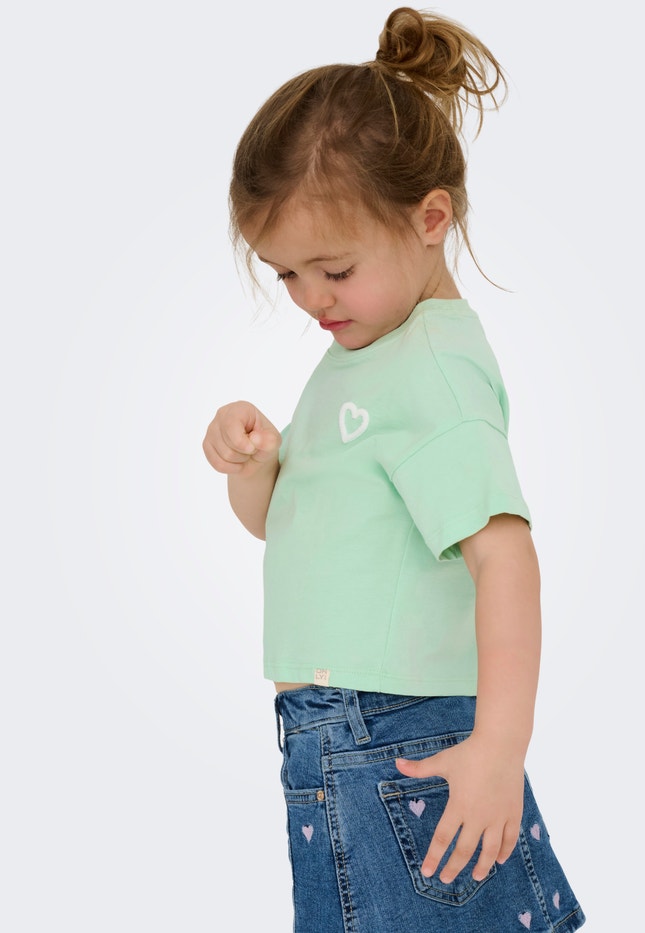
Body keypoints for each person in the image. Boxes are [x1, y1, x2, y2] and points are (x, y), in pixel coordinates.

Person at [203, 7, 585, 931]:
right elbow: (291, 527)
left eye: (332, 269)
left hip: (392, 735)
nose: (310, 299)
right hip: (340, 739)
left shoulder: (432, 370)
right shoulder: (369, 351)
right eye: (286, 275)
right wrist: (255, 466)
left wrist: (500, 745)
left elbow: (506, 556)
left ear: (429, 218)